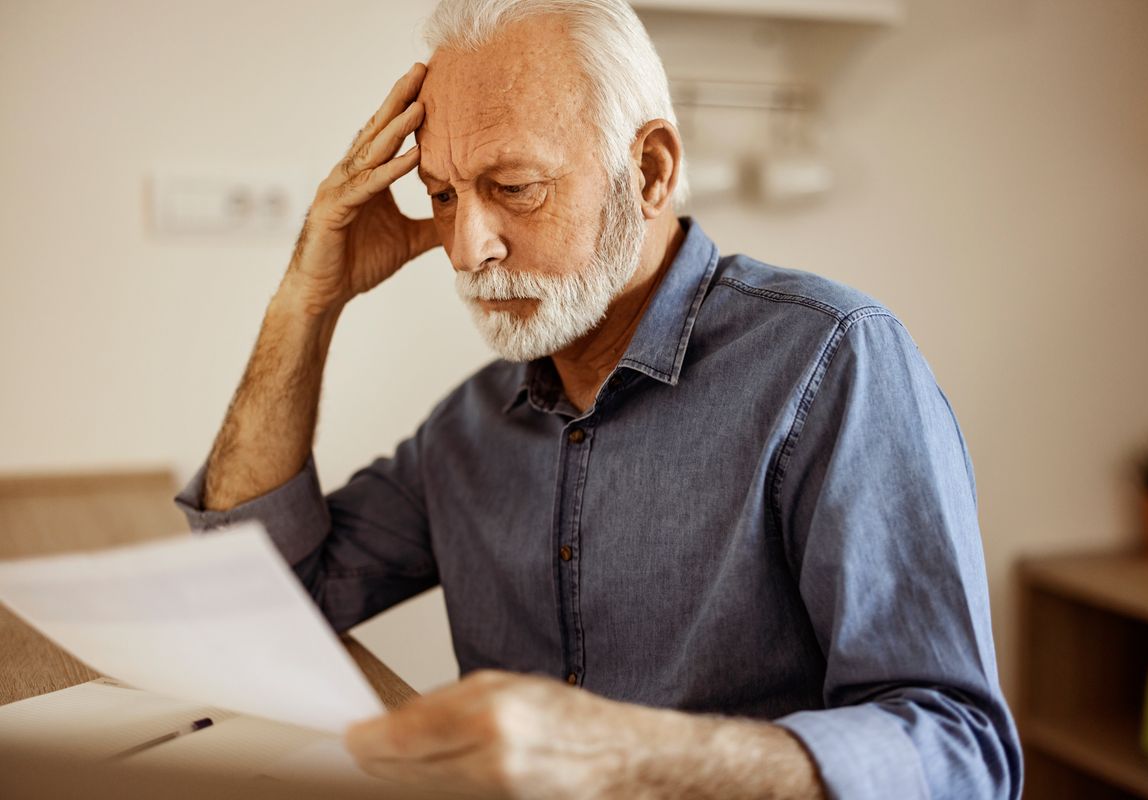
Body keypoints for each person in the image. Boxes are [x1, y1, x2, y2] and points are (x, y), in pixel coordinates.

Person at [175, 1, 1023, 797]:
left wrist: (630, 756)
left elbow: (962, 754)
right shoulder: (470, 428)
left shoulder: (833, 363)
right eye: (441, 195)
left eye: (513, 187)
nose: (468, 248)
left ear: (649, 172)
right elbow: (265, 599)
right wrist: (306, 298)